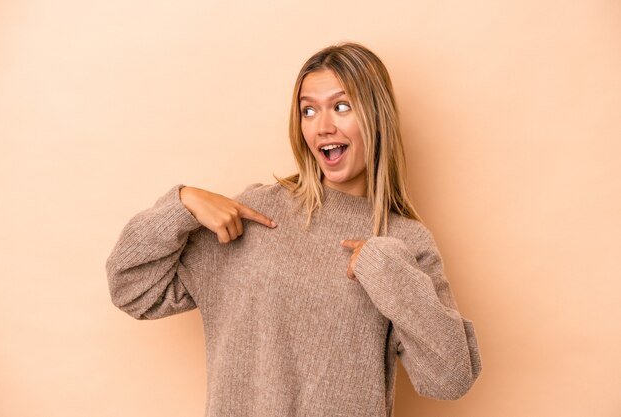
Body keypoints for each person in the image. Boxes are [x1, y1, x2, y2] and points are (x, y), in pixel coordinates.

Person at [106, 42, 481, 416]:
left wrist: (385, 268)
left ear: (375, 115)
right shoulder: (258, 213)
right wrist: (182, 203)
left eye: (341, 106)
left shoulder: (404, 242)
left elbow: (449, 378)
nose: (323, 126)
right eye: (308, 110)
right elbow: (130, 286)